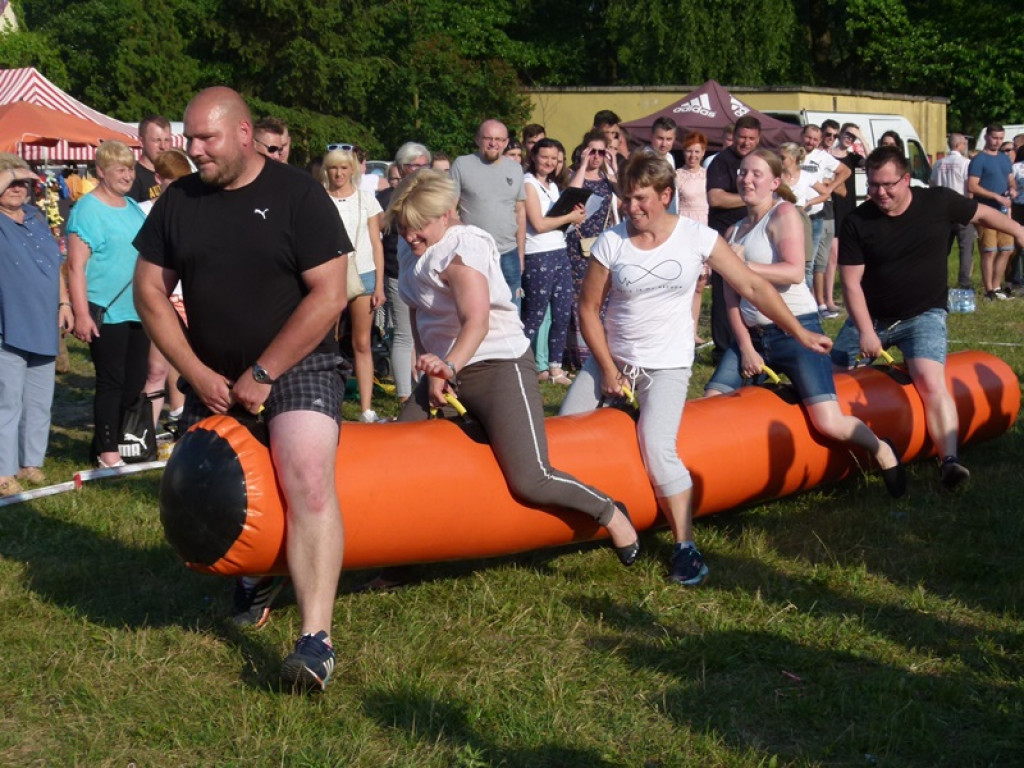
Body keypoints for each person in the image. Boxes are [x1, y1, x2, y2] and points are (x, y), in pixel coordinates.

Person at [134, 86, 353, 692]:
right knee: (209, 488)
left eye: (205, 138)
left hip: (300, 363)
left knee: (306, 474)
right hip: (214, 373)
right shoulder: (179, 200)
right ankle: (259, 575)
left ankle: (315, 641)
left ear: (242, 133)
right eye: (189, 137)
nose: (192, 149)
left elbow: (330, 295)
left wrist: (263, 374)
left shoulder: (297, 195)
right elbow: (149, 292)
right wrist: (196, 371)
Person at [559, 153, 834, 586]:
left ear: (667, 195)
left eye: (642, 199)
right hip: (612, 359)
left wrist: (799, 331)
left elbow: (751, 285)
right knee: (564, 432)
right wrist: (608, 369)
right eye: (627, 199)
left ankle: (685, 547)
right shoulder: (613, 242)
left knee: (658, 448)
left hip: (667, 365)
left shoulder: (696, 237)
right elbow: (588, 310)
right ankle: (590, 520)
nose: (632, 208)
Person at [383, 169, 640, 567]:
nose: (410, 235)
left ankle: (611, 513)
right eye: (402, 227)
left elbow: (477, 320)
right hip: (444, 372)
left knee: (530, 477)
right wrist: (429, 371)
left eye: (418, 227)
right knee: (402, 459)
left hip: (497, 365)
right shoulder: (410, 248)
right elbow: (420, 315)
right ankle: (403, 560)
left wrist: (447, 366)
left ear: (448, 214)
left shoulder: (463, 247)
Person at [703, 149, 904, 496]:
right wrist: (747, 347)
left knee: (829, 422)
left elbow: (794, 271)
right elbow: (729, 298)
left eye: (756, 174)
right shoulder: (734, 231)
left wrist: (740, 267)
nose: (746, 179)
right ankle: (724, 481)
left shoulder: (784, 214)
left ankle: (882, 450)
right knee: (709, 404)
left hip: (797, 332)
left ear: (775, 182)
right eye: (742, 172)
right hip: (751, 336)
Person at [832, 146, 1024, 490]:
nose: (880, 193)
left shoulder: (937, 202)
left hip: (924, 314)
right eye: (874, 185)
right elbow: (850, 284)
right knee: (829, 380)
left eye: (888, 184)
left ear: (906, 179)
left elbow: (983, 214)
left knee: (931, 382)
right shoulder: (857, 221)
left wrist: (1020, 232)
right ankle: (842, 454)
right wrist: (865, 331)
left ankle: (949, 462)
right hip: (873, 316)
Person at [67, 140, 149, 468]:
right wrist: (81, 313)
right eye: (120, 169)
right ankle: (107, 451)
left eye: (130, 168)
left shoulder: (131, 206)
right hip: (106, 309)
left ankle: (105, 440)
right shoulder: (86, 209)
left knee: (134, 382)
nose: (127, 175)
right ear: (101, 171)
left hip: (138, 309)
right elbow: (74, 266)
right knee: (111, 381)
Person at [0, 154, 73, 495]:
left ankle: (31, 463)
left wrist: (64, 301)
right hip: (8, 323)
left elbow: (55, 262)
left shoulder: (35, 216)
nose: (17, 187)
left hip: (43, 321)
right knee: (7, 399)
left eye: (22, 182)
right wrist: (15, 170)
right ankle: (3, 470)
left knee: (40, 399)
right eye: (9, 181)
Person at [321, 146, 386, 422]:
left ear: (352, 170)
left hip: (365, 273)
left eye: (344, 168)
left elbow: (376, 244)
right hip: (330, 276)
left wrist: (380, 285)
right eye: (334, 168)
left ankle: (366, 408)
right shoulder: (320, 199)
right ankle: (326, 404)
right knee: (328, 343)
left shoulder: (367, 200)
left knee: (362, 343)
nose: (339, 173)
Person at [522, 138, 586, 385]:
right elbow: (538, 223)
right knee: (535, 314)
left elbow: (558, 225)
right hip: (538, 254)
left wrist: (574, 218)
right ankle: (522, 364)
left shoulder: (553, 186)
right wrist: (569, 216)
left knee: (562, 312)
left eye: (553, 158)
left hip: (559, 250)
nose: (549, 162)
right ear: (534, 157)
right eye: (544, 157)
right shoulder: (528, 184)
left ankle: (555, 367)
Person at [138, 149, 194, 432]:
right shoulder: (144, 210)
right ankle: (143, 432)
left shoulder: (192, 207)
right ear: (159, 179)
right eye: (172, 179)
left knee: (185, 364)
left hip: (189, 294)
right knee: (157, 367)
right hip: (161, 295)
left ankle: (180, 417)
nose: (178, 185)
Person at [450, 119, 526, 307]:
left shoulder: (515, 169)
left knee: (512, 309)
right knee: (477, 309)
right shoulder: (462, 164)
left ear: (506, 142)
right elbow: (449, 209)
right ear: (477, 140)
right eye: (488, 138)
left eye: (499, 139)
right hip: (474, 252)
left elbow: (520, 212)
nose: (494, 143)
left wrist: (521, 254)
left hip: (509, 252)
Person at [706, 115, 762, 362]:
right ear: (734, 135)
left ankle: (752, 340)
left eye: (751, 138)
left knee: (752, 287)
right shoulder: (721, 161)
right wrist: (753, 198)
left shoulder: (760, 161)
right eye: (742, 137)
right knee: (723, 292)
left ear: (758, 139)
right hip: (725, 236)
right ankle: (722, 348)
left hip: (755, 233)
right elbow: (715, 198)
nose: (746, 142)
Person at [380, 143, 432, 403]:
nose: (419, 170)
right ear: (400, 168)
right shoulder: (387, 198)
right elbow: (376, 236)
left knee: (427, 332)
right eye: (413, 165)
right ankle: (403, 395)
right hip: (397, 271)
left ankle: (426, 390)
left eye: (424, 165)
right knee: (403, 334)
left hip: (430, 274)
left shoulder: (435, 199)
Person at [564, 130, 619, 370]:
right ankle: (578, 354)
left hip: (602, 242)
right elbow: (572, 194)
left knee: (603, 296)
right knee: (580, 299)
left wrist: (612, 166)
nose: (597, 156)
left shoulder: (608, 179)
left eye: (601, 152)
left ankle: (602, 348)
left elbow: (625, 193)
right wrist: (583, 164)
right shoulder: (575, 175)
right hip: (578, 244)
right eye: (592, 151)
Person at [801, 124, 851, 314]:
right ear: (802, 135)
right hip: (795, 213)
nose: (811, 142)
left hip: (815, 215)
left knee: (811, 263)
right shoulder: (794, 153)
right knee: (801, 261)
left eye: (815, 139)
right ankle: (807, 304)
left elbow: (845, 171)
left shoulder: (822, 157)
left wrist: (829, 188)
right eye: (808, 137)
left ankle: (810, 306)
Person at [968, 124, 1018, 300]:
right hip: (985, 212)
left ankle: (997, 287)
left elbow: (1010, 180)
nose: (997, 142)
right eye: (994, 138)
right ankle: (989, 289)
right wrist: (995, 196)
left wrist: (1012, 189)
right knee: (989, 250)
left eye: (1000, 138)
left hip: (1003, 212)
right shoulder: (979, 159)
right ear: (987, 138)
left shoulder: (1004, 159)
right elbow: (972, 185)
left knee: (1006, 249)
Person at [823, 123, 867, 315]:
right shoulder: (827, 155)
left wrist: (862, 138)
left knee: (845, 254)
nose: (850, 138)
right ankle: (828, 299)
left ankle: (844, 294)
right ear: (840, 133)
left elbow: (873, 161)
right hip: (831, 206)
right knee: (832, 256)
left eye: (853, 137)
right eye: (847, 134)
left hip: (849, 208)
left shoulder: (853, 157)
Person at [675, 131, 711, 345]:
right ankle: (681, 328)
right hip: (685, 226)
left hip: (704, 226)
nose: (692, 155)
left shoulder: (708, 175)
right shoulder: (678, 175)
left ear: (703, 153)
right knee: (685, 282)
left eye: (697, 151)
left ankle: (694, 330)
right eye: (689, 151)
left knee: (700, 283)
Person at [929, 133, 977, 290]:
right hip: (961, 208)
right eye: (964, 144)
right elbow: (969, 188)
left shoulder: (939, 164)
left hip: (942, 211)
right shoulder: (966, 163)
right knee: (965, 248)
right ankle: (964, 282)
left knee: (942, 250)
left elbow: (932, 185)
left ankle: (936, 280)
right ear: (960, 145)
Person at [128, 115, 172, 203]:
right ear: (141, 141)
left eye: (166, 140)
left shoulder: (173, 172)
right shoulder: (132, 176)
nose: (163, 146)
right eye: (157, 140)